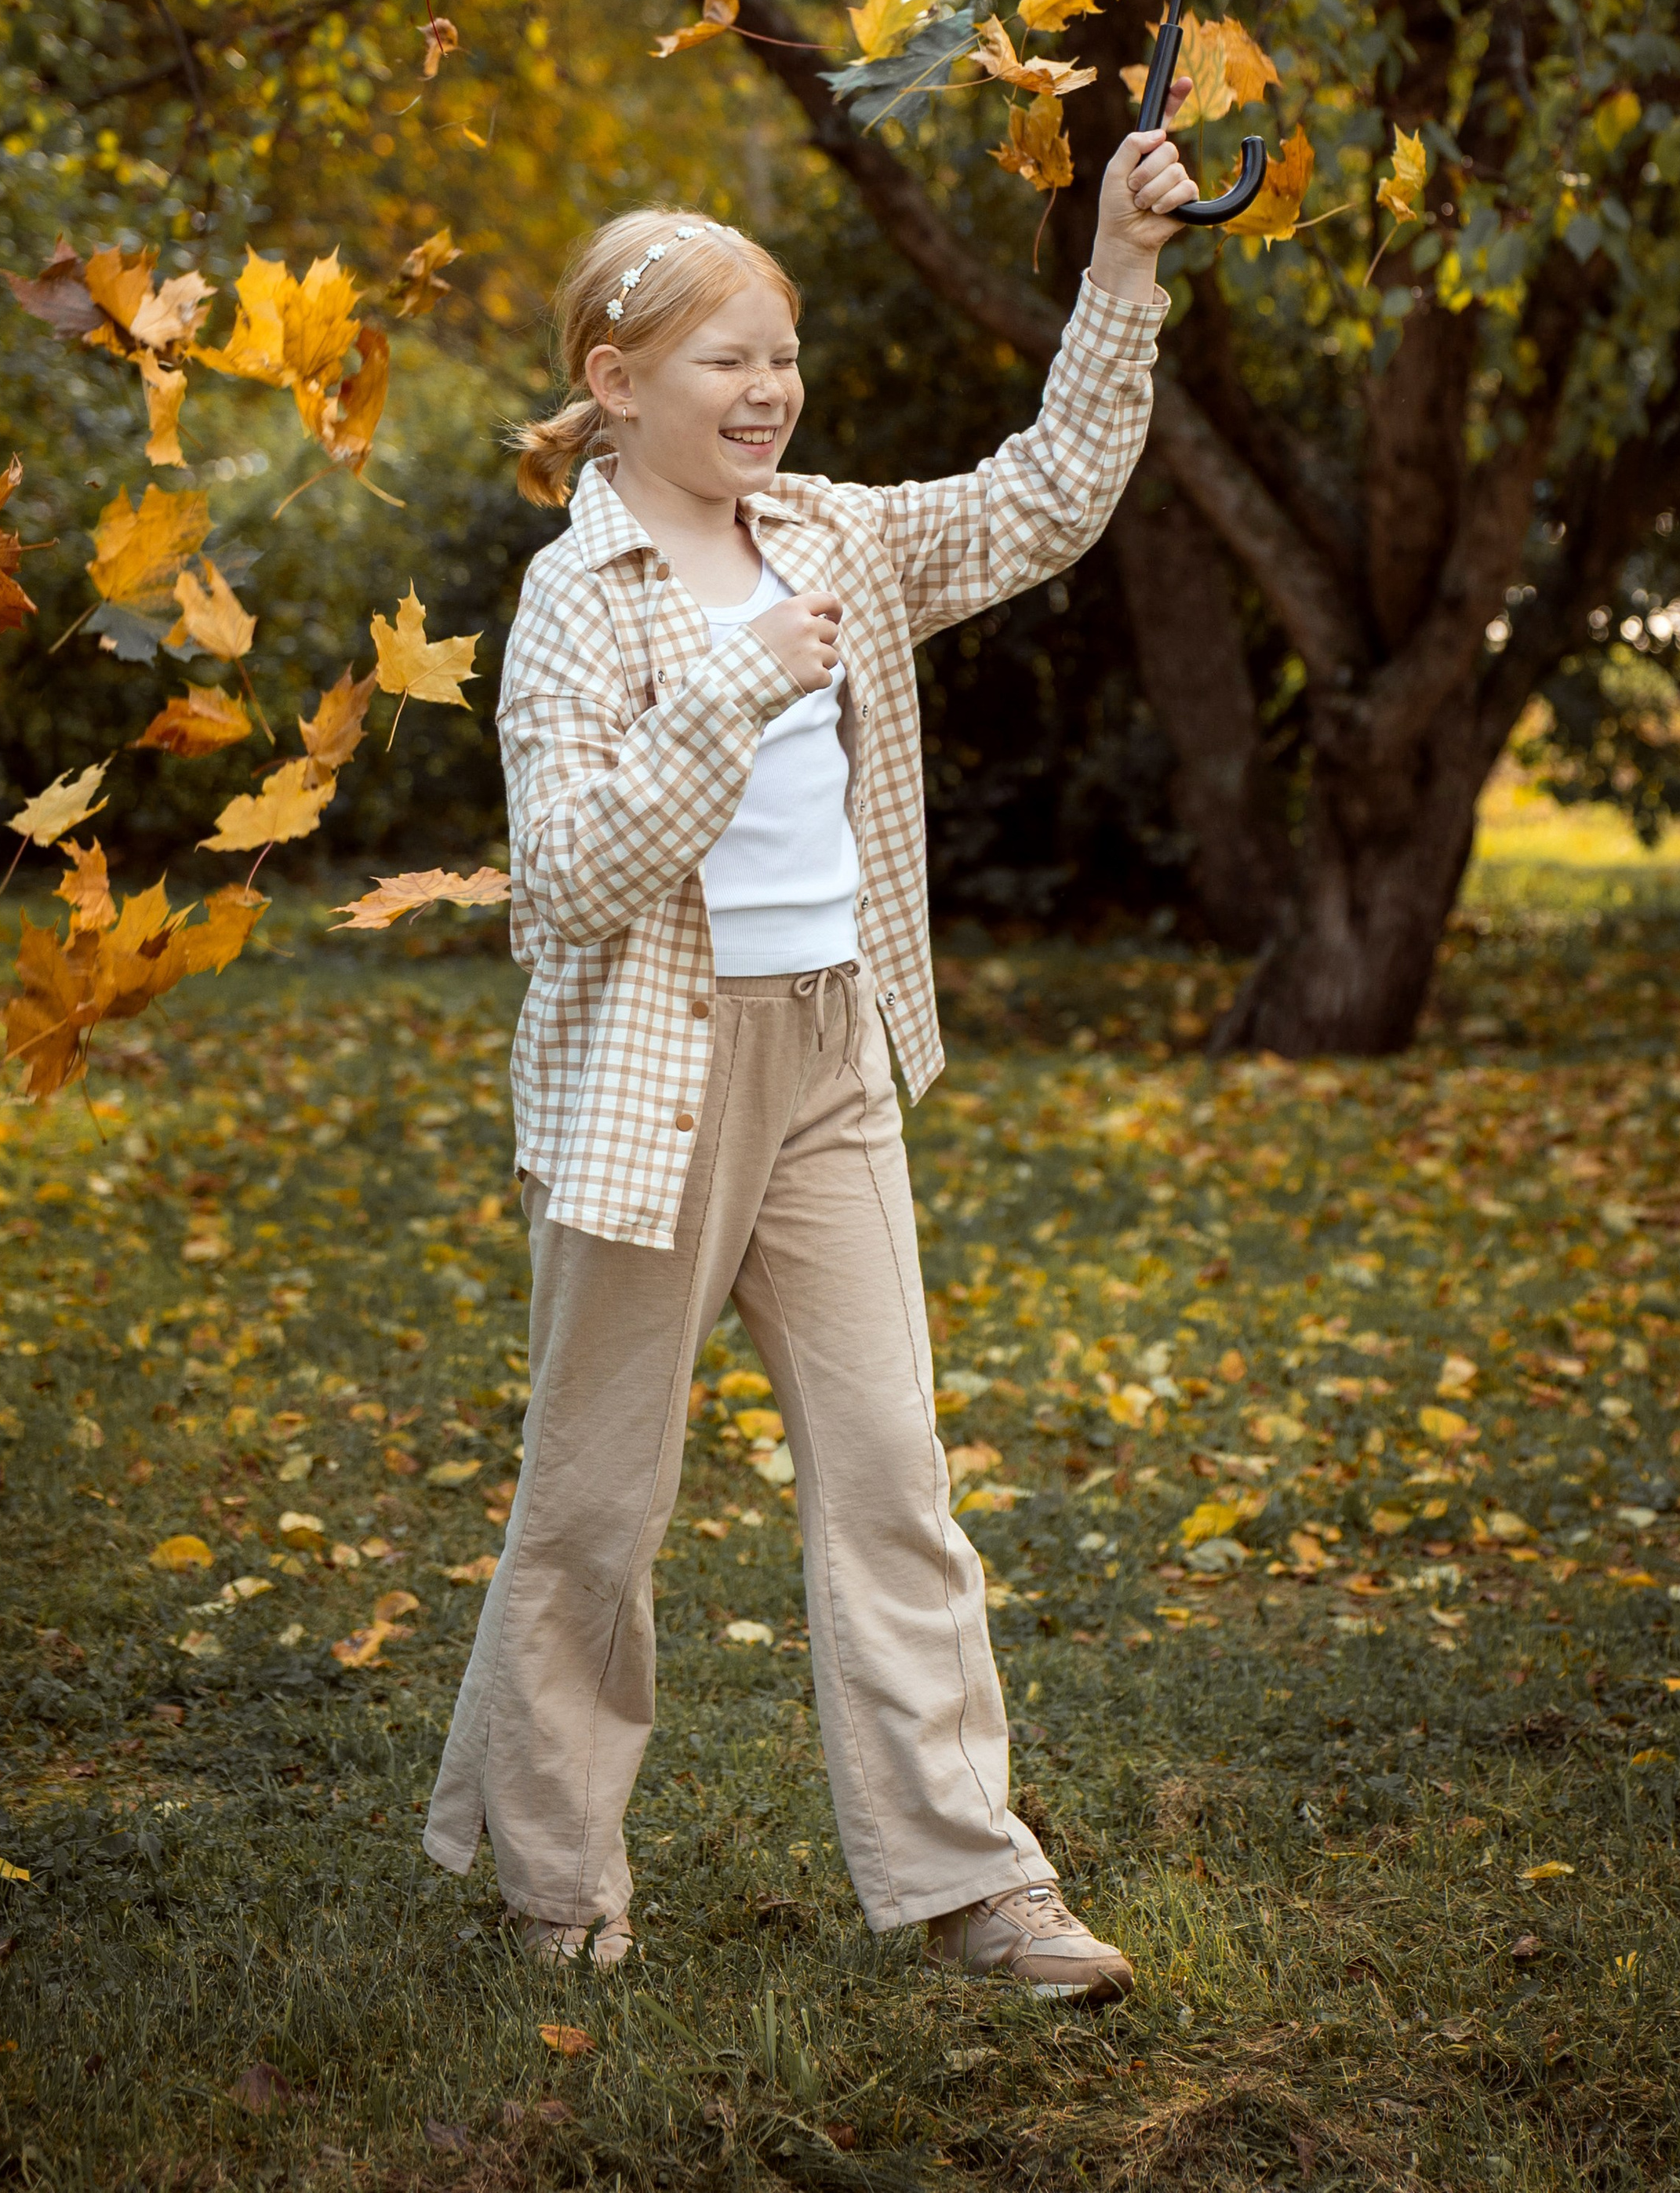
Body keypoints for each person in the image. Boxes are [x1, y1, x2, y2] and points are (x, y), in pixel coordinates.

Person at [423, 118, 1198, 2002]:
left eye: (779, 354)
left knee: (891, 1482)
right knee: (594, 1505)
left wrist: (1119, 268)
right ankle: (551, 1885)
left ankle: (970, 1888)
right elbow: (570, 885)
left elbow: (1039, 501)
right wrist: (740, 678)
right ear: (613, 389)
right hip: (649, 1086)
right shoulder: (574, 602)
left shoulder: (839, 533)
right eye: (724, 360)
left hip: (833, 1056)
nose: (766, 389)